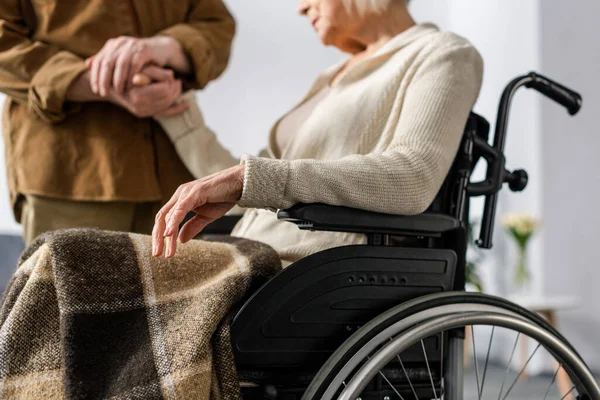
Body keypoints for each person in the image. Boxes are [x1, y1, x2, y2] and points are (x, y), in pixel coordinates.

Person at [152, 0, 484, 266]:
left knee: (109, 268)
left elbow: (413, 177)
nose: (300, 7)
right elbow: (249, 188)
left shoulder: (443, 53)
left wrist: (254, 180)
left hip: (300, 268)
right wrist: (177, 113)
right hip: (246, 251)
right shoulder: (331, 75)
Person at [0, 0, 235, 245]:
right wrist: (99, 81)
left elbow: (217, 24)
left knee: (198, 282)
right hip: (69, 178)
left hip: (176, 177)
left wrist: (167, 47)